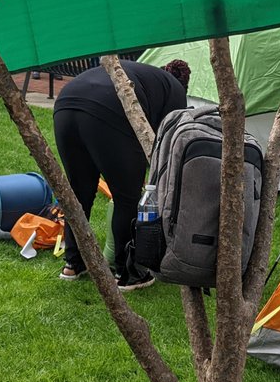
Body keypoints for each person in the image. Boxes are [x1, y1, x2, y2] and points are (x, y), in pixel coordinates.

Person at [53, 59, 190, 290]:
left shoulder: (144, 74)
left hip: (66, 103)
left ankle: (73, 264)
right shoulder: (175, 90)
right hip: (108, 107)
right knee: (127, 197)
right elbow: (169, 143)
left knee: (79, 192)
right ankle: (129, 273)